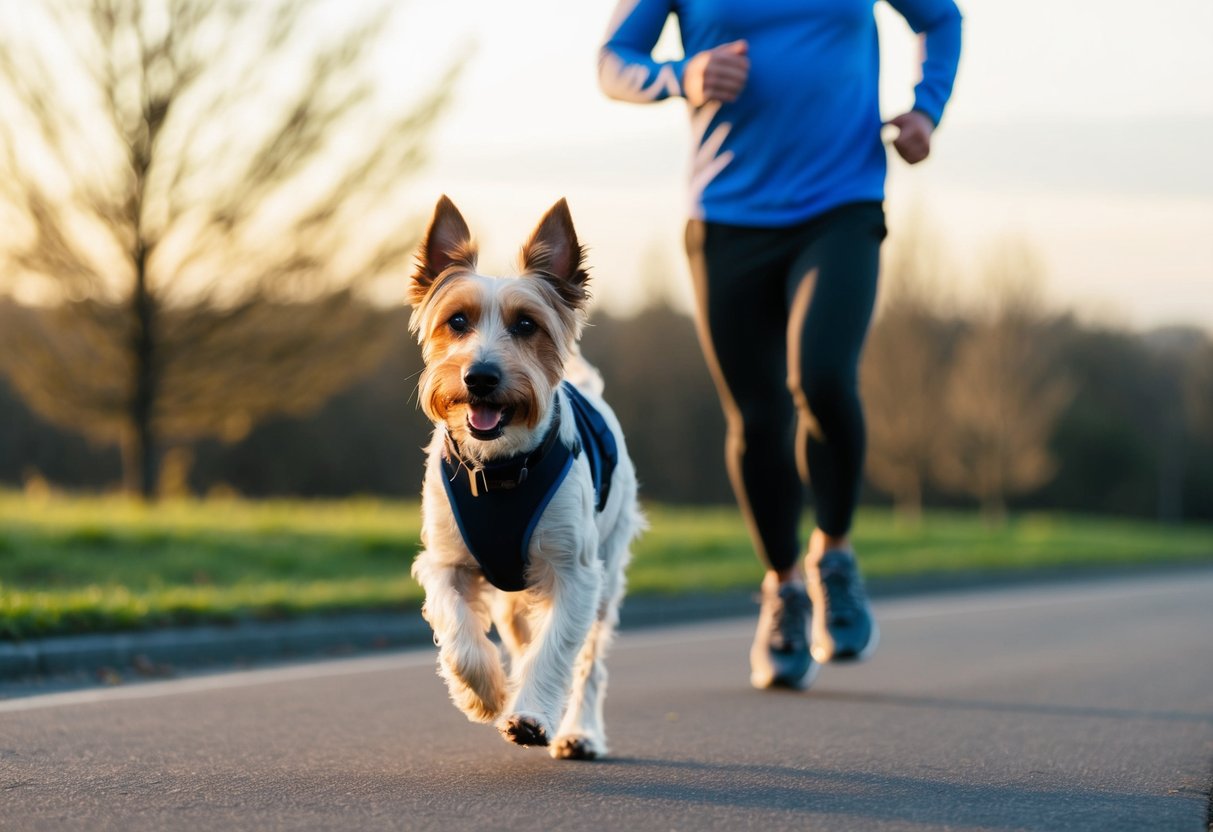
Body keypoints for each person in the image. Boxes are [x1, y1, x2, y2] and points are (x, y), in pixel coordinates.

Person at [599, 0, 962, 689]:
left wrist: (926, 110)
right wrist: (681, 75)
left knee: (822, 377)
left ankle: (834, 552)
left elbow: (940, 18)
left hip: (842, 203)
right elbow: (613, 62)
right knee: (757, 417)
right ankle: (784, 588)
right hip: (726, 217)